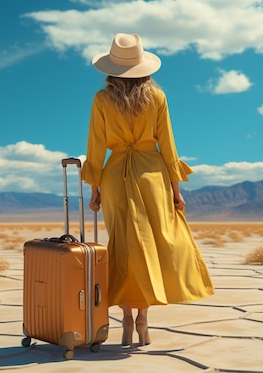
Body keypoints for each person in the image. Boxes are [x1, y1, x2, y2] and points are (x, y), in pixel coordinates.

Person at [81, 33, 214, 347]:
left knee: (124, 248)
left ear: (111, 68)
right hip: (152, 176)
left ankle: (126, 318)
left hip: (115, 177)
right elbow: (168, 146)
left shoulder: (102, 99)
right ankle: (143, 320)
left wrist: (95, 187)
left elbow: (96, 146)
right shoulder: (158, 97)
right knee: (152, 248)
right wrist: (176, 190)